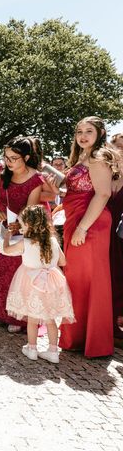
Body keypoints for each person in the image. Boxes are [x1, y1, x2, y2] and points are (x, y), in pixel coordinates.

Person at [49, 117, 116, 358]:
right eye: (79, 131)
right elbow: (80, 189)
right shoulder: (82, 158)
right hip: (77, 219)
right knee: (77, 279)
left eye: (89, 131)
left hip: (91, 224)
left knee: (90, 279)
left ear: (100, 134)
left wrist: (82, 228)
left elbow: (103, 193)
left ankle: (93, 341)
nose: (83, 136)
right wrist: (59, 193)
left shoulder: (98, 158)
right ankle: (77, 336)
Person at [0, 136, 43, 333]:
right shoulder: (0, 171)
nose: (7, 162)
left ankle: (18, 317)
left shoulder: (36, 179)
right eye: (6, 157)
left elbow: (31, 209)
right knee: (2, 267)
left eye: (13, 158)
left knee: (20, 270)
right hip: (2, 224)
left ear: (26, 158)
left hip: (24, 227)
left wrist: (19, 225)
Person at [3, 205, 75, 363]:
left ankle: (32, 348)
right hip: (52, 282)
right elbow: (62, 261)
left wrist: (6, 236)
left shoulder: (26, 243)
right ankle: (53, 351)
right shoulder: (53, 242)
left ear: (28, 225)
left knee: (33, 319)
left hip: (30, 282)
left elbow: (7, 250)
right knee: (50, 319)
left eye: (22, 224)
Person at [108, 137, 123, 342]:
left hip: (121, 234)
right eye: (118, 147)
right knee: (109, 275)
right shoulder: (105, 173)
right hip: (103, 233)